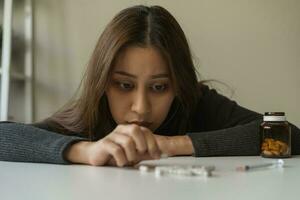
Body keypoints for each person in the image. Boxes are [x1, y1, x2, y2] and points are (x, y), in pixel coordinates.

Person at [0, 5, 299, 167]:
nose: (140, 108)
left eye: (158, 87)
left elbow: (290, 135)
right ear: (103, 83)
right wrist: (86, 151)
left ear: (178, 85)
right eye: (124, 85)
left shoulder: (195, 102)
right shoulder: (89, 117)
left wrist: (172, 144)